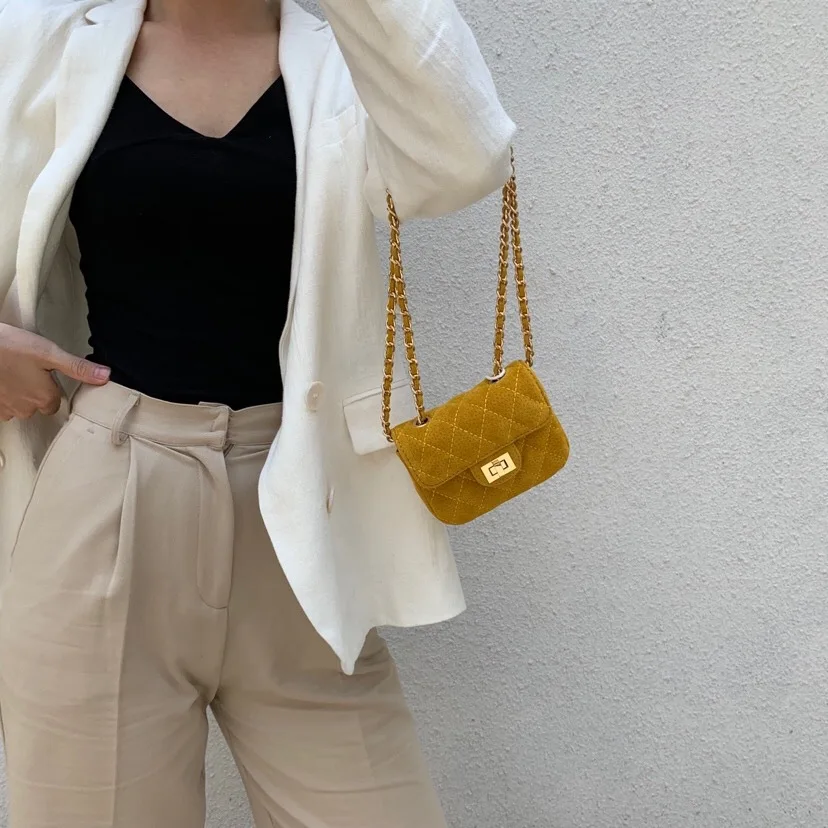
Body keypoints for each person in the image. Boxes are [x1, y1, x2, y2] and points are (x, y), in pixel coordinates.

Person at [0, 0, 515, 824]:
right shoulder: (42, 37)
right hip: (103, 511)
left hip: (305, 526)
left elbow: (465, 162)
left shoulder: (349, 56)